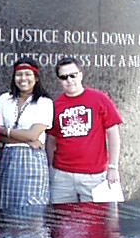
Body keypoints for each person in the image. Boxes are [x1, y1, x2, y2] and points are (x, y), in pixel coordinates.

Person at [46, 57, 123, 203]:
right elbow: (51, 140)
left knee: (95, 217)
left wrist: (113, 167)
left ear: (80, 75)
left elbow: (113, 134)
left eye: (73, 75)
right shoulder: (55, 106)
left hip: (94, 176)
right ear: (59, 80)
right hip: (62, 177)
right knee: (61, 217)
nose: (69, 80)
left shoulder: (99, 99)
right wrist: (50, 168)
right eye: (64, 77)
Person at [0, 58, 53, 208]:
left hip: (32, 159)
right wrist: (26, 139)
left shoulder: (44, 102)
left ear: (36, 78)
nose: (23, 78)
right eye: (19, 74)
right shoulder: (4, 99)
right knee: (6, 205)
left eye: (28, 74)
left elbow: (33, 135)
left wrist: (7, 131)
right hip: (7, 157)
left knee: (32, 207)